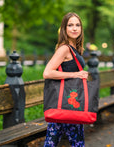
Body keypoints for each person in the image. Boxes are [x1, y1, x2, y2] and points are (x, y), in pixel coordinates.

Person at [43, 12, 88, 147]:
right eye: (70, 25)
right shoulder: (64, 49)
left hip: (70, 101)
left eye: (77, 25)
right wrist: (75, 75)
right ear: (64, 28)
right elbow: (47, 73)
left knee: (55, 141)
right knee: (76, 142)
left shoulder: (75, 48)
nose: (74, 28)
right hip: (65, 103)